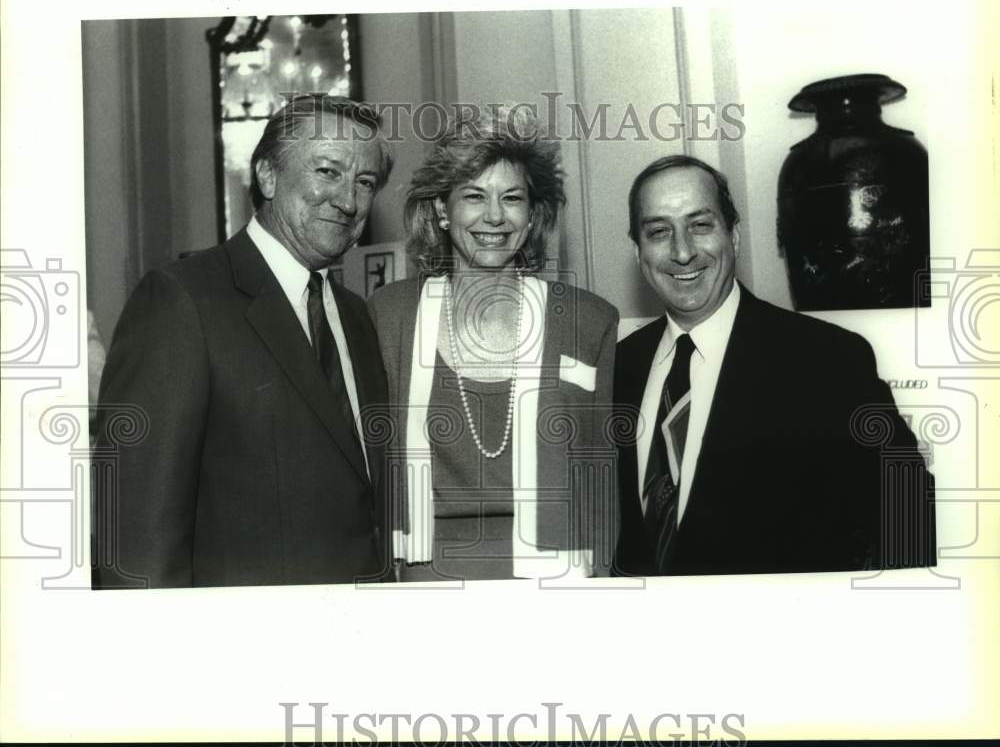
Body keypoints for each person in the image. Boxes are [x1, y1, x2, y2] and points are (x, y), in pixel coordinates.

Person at [93, 94, 394, 588]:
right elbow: (135, 534)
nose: (348, 200)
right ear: (268, 176)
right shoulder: (181, 300)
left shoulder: (358, 317)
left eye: (364, 182)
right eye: (327, 171)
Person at [613, 155, 935, 576]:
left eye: (700, 225)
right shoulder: (619, 367)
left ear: (735, 235)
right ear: (639, 251)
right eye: (659, 231)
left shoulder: (829, 361)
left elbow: (908, 520)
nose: (682, 251)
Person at [368, 105, 619, 581]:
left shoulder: (589, 321)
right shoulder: (389, 315)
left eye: (512, 197)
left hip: (555, 585)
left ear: (533, 212)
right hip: (426, 582)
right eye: (474, 196)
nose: (494, 217)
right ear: (442, 209)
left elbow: (599, 490)